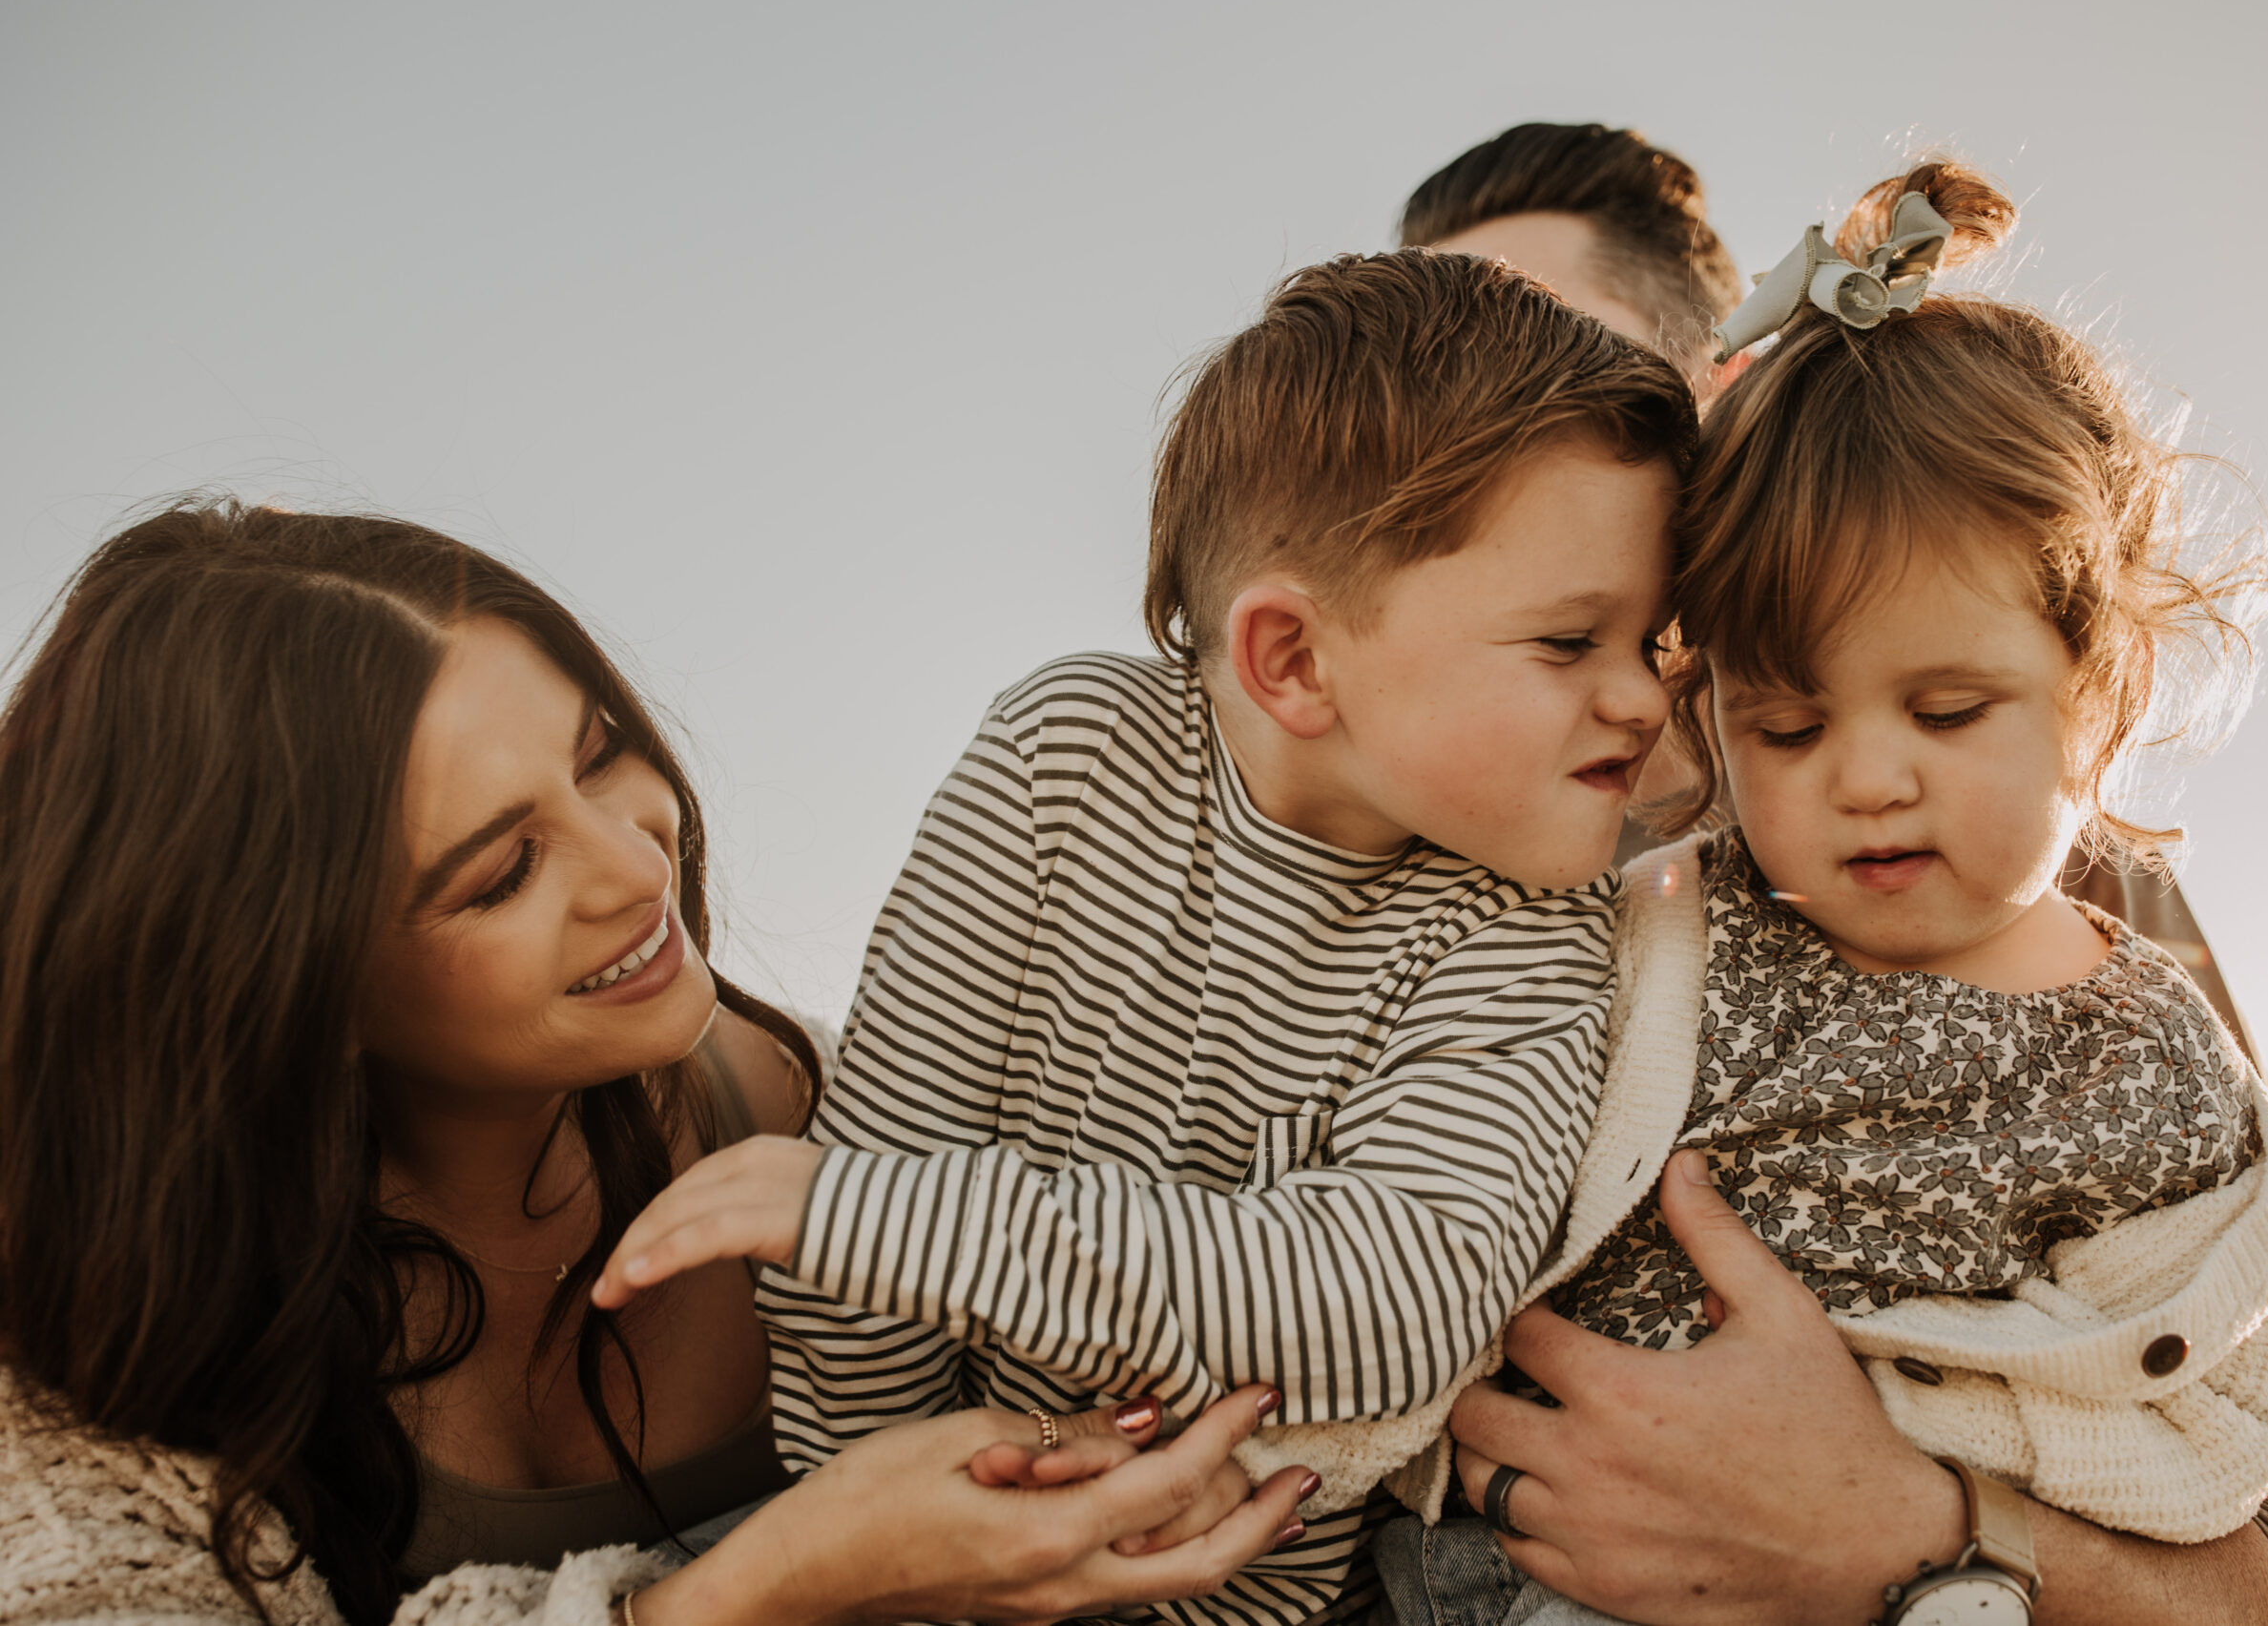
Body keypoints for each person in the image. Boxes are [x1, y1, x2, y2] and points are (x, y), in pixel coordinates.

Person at [593, 250, 1698, 1626]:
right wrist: (900, 1535)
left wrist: (878, 1224)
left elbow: (1401, 1302)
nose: (1642, 700)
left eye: (1652, 639)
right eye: (1569, 642)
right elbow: (875, 1195)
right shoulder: (1068, 758)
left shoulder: (1538, 923)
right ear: (1292, 659)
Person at [1402, 126, 2268, 1625]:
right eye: (1433, 403)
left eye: (1557, 382)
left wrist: (1922, 1531)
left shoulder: (2061, 908)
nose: (1488, 444)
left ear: (1719, 408)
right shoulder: (1397, 863)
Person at [0, 502, 1311, 1624]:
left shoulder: (856, 1109)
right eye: (502, 872)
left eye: (600, 752)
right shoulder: (98, 1387)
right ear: (292, 988)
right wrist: (763, 1592)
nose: (638, 865)